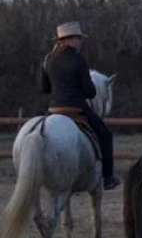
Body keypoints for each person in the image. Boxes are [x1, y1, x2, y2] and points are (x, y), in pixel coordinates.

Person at [41, 21, 120, 190]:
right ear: (69, 39)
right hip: (76, 108)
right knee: (106, 135)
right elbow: (90, 92)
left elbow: (45, 88)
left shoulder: (48, 59)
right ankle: (108, 177)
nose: (81, 41)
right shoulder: (78, 59)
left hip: (53, 109)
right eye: (79, 38)